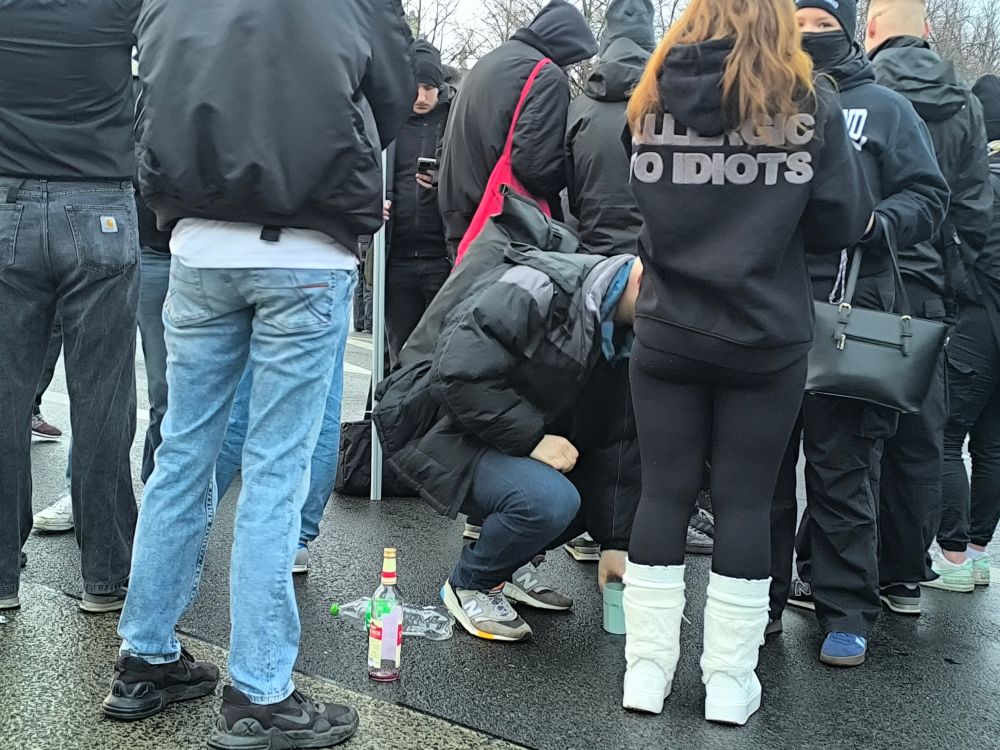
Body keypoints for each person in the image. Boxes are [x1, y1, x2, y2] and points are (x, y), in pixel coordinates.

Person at [102, 3, 414, 749]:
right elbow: (395, 97)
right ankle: (260, 694)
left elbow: (147, 86)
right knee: (274, 472)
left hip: (199, 241)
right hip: (306, 246)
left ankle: (146, 655)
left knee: (183, 454)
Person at [622, 0, 875, 725]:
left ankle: (647, 670)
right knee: (744, 501)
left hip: (667, 324)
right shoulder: (807, 103)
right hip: (765, 334)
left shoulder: (653, 90)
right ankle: (730, 683)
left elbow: (635, 188)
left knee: (662, 495)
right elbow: (843, 221)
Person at [769, 0, 948, 667]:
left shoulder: (890, 109)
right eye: (799, 25)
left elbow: (930, 197)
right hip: (767, 312)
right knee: (763, 473)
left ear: (849, 30)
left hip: (848, 315)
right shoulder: (763, 98)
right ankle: (759, 600)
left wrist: (879, 226)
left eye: (824, 25)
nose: (809, 37)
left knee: (843, 471)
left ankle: (846, 609)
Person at [374, 227, 642, 642]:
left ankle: (510, 563)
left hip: (494, 432)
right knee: (550, 500)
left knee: (592, 487)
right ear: (642, 280)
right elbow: (457, 375)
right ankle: (472, 583)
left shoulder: (629, 334)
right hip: (432, 423)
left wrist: (616, 541)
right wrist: (533, 440)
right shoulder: (538, 286)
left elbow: (618, 445)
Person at [0, 0, 141, 614]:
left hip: (5, 197)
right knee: (103, 397)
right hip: (99, 197)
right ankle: (105, 574)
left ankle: (2, 575)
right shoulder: (115, 7)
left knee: (5, 398)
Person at [563, 0, 714, 561]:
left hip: (590, 274)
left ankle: (586, 525)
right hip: (653, 274)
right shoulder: (670, 102)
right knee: (641, 421)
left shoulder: (578, 106)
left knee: (592, 405)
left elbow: (565, 189)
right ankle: (620, 535)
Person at [864, 0, 993, 595]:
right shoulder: (965, 104)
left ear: (869, 30)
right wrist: (959, 285)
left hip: (858, 282)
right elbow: (973, 212)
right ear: (930, 31)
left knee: (851, 434)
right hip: (929, 290)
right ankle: (905, 580)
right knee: (921, 439)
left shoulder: (858, 92)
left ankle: (839, 575)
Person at [438, 0, 598, 258]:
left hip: (460, 213)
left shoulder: (487, 63)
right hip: (503, 224)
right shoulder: (545, 75)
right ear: (567, 47)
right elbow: (536, 168)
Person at [936, 76, 1000, 588]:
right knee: (994, 446)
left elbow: (961, 250)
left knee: (946, 435)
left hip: (977, 321)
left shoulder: (980, 182)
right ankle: (979, 551)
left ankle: (952, 555)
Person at [384, 40, 454, 364]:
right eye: (416, 86)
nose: (422, 97)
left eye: (430, 87)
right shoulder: (387, 122)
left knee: (443, 352)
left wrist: (445, 181)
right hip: (394, 257)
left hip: (441, 257)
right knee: (400, 353)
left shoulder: (454, 122)